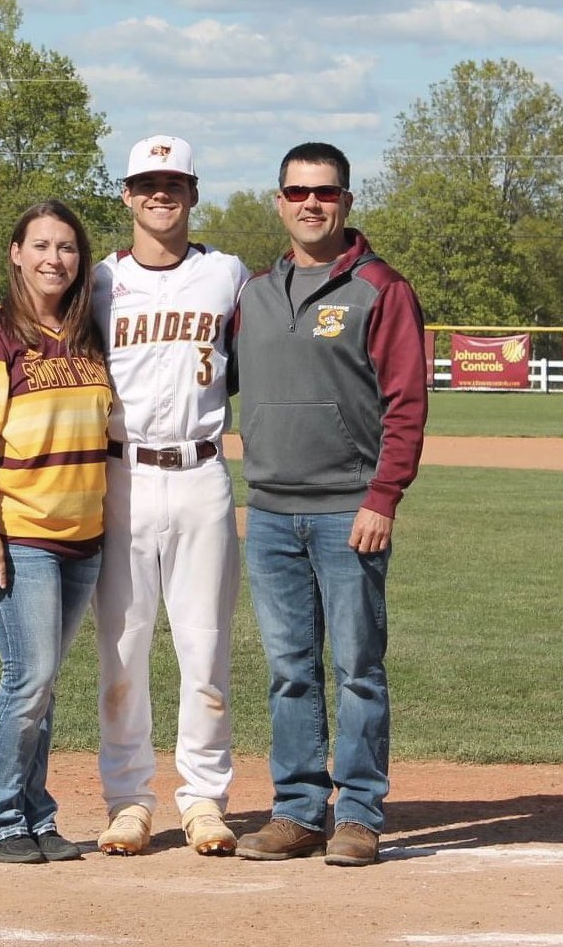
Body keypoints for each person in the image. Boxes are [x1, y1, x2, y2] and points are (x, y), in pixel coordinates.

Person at [233, 142, 428, 867]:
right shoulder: (253, 293)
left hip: (351, 510)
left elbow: (407, 404)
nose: (311, 203)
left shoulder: (382, 289)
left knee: (357, 666)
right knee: (289, 667)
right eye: (297, 191)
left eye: (325, 191)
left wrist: (383, 495)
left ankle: (359, 815)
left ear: (346, 202)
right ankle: (296, 811)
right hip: (271, 512)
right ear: (278, 201)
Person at [90, 135, 250, 857]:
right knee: (121, 651)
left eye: (174, 182)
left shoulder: (226, 275)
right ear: (125, 193)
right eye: (146, 183)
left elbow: (245, 364)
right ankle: (128, 799)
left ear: (193, 191)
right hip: (121, 477)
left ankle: (204, 798)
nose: (161, 195)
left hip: (201, 475)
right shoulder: (97, 282)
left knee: (205, 647)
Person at [0, 199, 112, 866]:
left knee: (44, 686)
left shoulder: (89, 335)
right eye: (40, 246)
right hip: (18, 535)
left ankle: (36, 817)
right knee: (27, 675)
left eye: (66, 248)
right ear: (16, 253)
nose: (53, 259)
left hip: (82, 538)